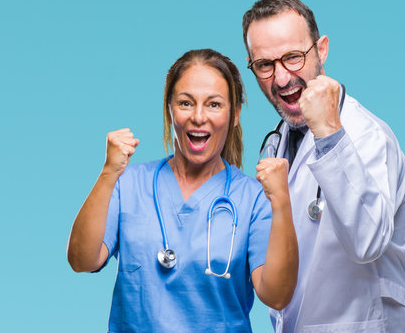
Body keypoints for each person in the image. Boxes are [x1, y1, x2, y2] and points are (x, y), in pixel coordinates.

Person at [67, 49, 298, 332]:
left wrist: (282, 202)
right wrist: (108, 174)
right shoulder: (128, 184)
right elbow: (82, 260)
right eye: (186, 103)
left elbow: (276, 296)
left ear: (234, 114)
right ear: (169, 109)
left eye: (214, 105)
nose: (198, 117)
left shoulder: (253, 199)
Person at [242, 0, 405, 332]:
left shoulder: (367, 134)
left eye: (292, 57)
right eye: (264, 65)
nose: (280, 78)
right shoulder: (274, 146)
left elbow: (368, 241)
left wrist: (329, 133)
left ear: (321, 50)